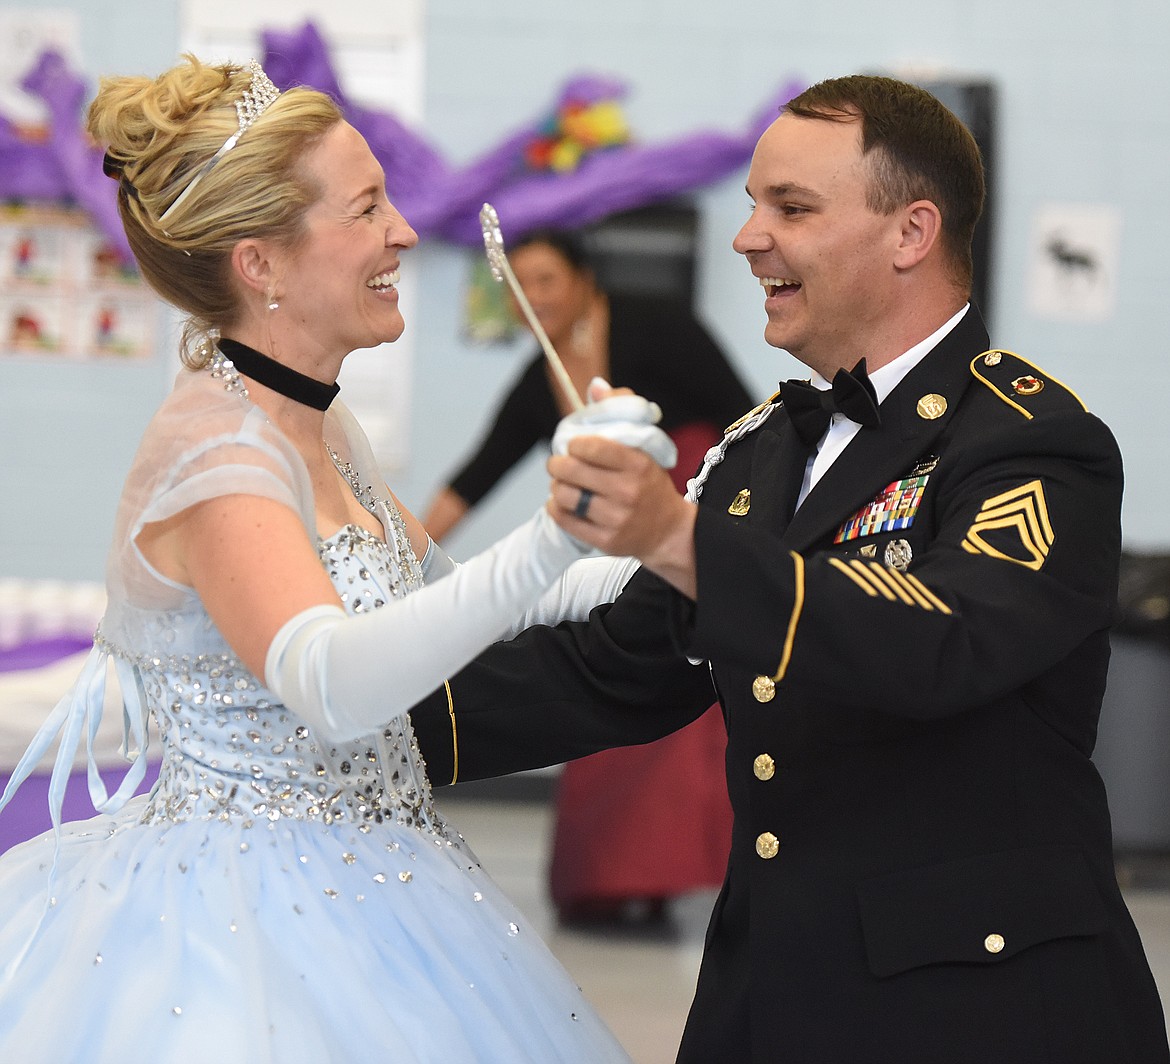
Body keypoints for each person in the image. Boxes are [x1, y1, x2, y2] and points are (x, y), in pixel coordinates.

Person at [407, 74, 1170, 1063]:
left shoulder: (1033, 442)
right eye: (753, 204)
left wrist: (676, 539)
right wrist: (349, 730)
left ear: (911, 232)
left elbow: (942, 639)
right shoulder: (766, 447)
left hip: (978, 1005)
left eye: (792, 208)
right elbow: (619, 664)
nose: (748, 236)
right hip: (772, 993)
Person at [0, 55, 677, 1062]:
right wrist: (550, 537)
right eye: (367, 208)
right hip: (240, 928)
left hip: (388, 876)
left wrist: (676, 524)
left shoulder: (320, 421)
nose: (403, 232)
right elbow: (332, 683)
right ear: (260, 262)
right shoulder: (216, 454)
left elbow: (464, 600)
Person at [425, 228, 746, 927]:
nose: (534, 299)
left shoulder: (657, 326)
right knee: (599, 715)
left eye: (547, 280)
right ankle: (604, 884)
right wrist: (401, 553)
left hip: (686, 531)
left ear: (583, 280)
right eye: (520, 288)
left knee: (675, 715)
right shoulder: (534, 382)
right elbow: (475, 476)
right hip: (610, 555)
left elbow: (744, 417)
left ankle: (657, 884)